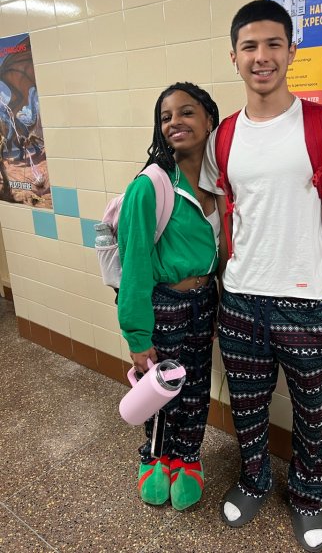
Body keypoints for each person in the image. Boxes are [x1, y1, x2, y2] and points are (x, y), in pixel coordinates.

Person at [199, 0, 322, 552]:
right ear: (234, 56)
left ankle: (308, 496)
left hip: (310, 307)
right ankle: (254, 480)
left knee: (312, 413)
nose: (262, 56)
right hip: (241, 301)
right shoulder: (224, 137)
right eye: (249, 46)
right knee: (247, 407)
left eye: (273, 44)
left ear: (292, 52)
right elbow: (220, 214)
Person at [117, 82, 220, 512]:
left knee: (195, 389)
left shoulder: (221, 184)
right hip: (165, 305)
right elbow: (134, 266)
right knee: (162, 391)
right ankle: (156, 457)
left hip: (205, 303)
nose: (175, 122)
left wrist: (220, 308)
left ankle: (188, 458)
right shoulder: (151, 185)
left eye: (186, 112)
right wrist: (138, 336)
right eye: (165, 117)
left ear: (209, 120)